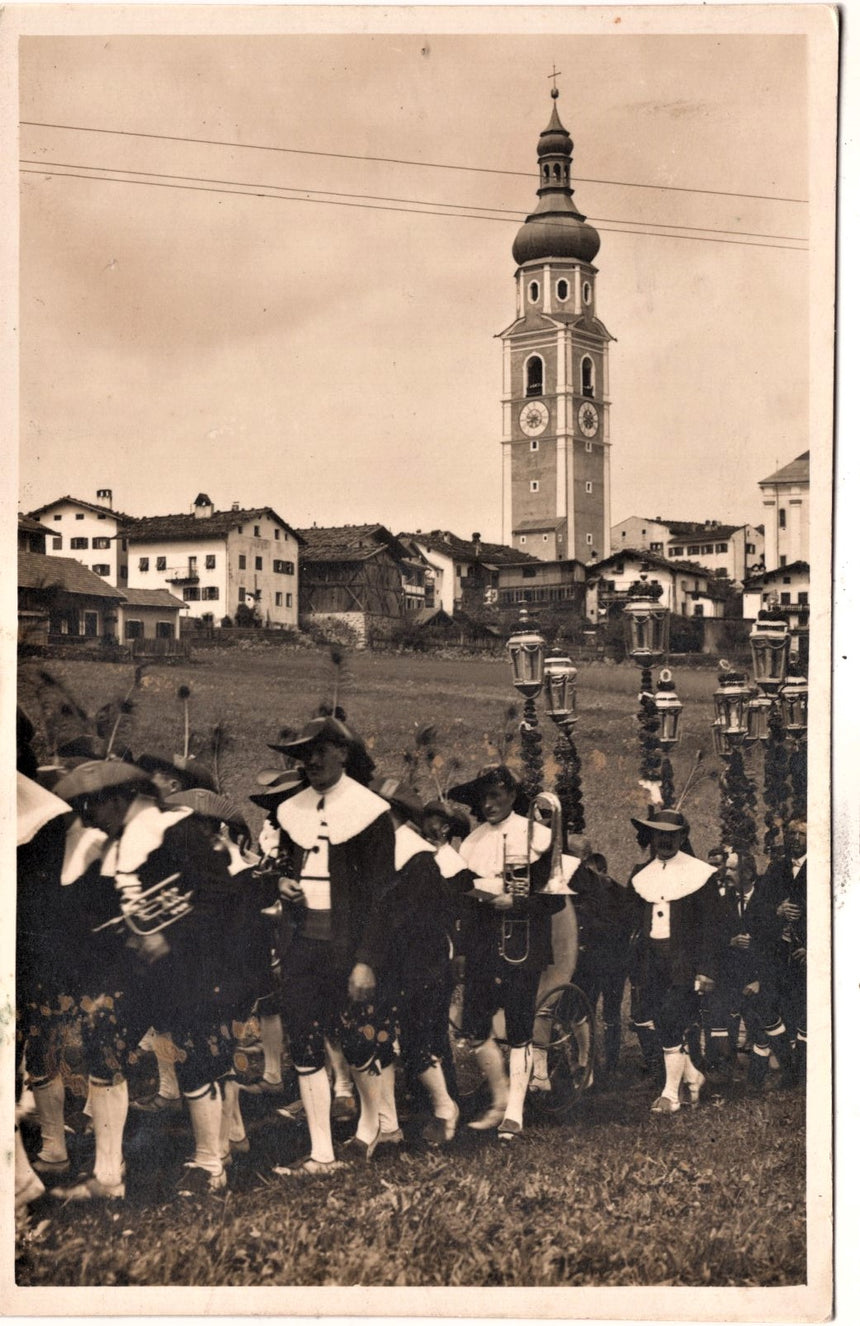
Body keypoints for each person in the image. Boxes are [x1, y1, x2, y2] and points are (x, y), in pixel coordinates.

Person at [51, 760, 244, 1199]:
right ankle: (107, 1174)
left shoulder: (181, 831)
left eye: (93, 806)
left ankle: (210, 1165)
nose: (89, 817)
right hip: (139, 975)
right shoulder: (112, 848)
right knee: (105, 1041)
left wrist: (172, 938)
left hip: (193, 966)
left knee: (197, 1057)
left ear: (120, 800)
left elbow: (224, 899)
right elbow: (100, 911)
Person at [271, 716, 397, 1175]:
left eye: (320, 751)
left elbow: (383, 898)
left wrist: (366, 962)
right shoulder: (292, 811)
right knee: (304, 1041)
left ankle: (372, 1127)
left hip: (348, 948)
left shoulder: (370, 813)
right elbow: (282, 864)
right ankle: (321, 1150)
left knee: (357, 1040)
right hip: (302, 944)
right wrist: (283, 882)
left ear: (343, 754)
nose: (311, 761)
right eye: (303, 754)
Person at [449, 765, 564, 1140]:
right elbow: (465, 904)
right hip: (482, 947)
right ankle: (499, 1100)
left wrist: (515, 902)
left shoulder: (539, 837)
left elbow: (555, 901)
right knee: (476, 1028)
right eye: (483, 798)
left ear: (513, 796)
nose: (488, 803)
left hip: (522, 946)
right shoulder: (472, 842)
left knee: (518, 1028)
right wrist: (463, 950)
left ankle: (515, 1112)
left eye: (496, 795)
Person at [368, 778, 469, 1145]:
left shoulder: (418, 858)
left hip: (419, 964)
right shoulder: (378, 849)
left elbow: (423, 920)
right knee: (378, 1040)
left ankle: (445, 1107)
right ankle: (388, 1124)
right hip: (385, 959)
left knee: (414, 1043)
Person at [627, 808, 722, 1114]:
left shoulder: (700, 874)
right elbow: (632, 922)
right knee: (659, 1020)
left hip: (685, 961)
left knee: (671, 1018)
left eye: (672, 835)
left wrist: (707, 969)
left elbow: (712, 927)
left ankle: (670, 1094)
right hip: (652, 961)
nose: (665, 841)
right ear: (653, 837)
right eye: (660, 834)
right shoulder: (641, 875)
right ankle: (694, 1077)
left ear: (683, 837)